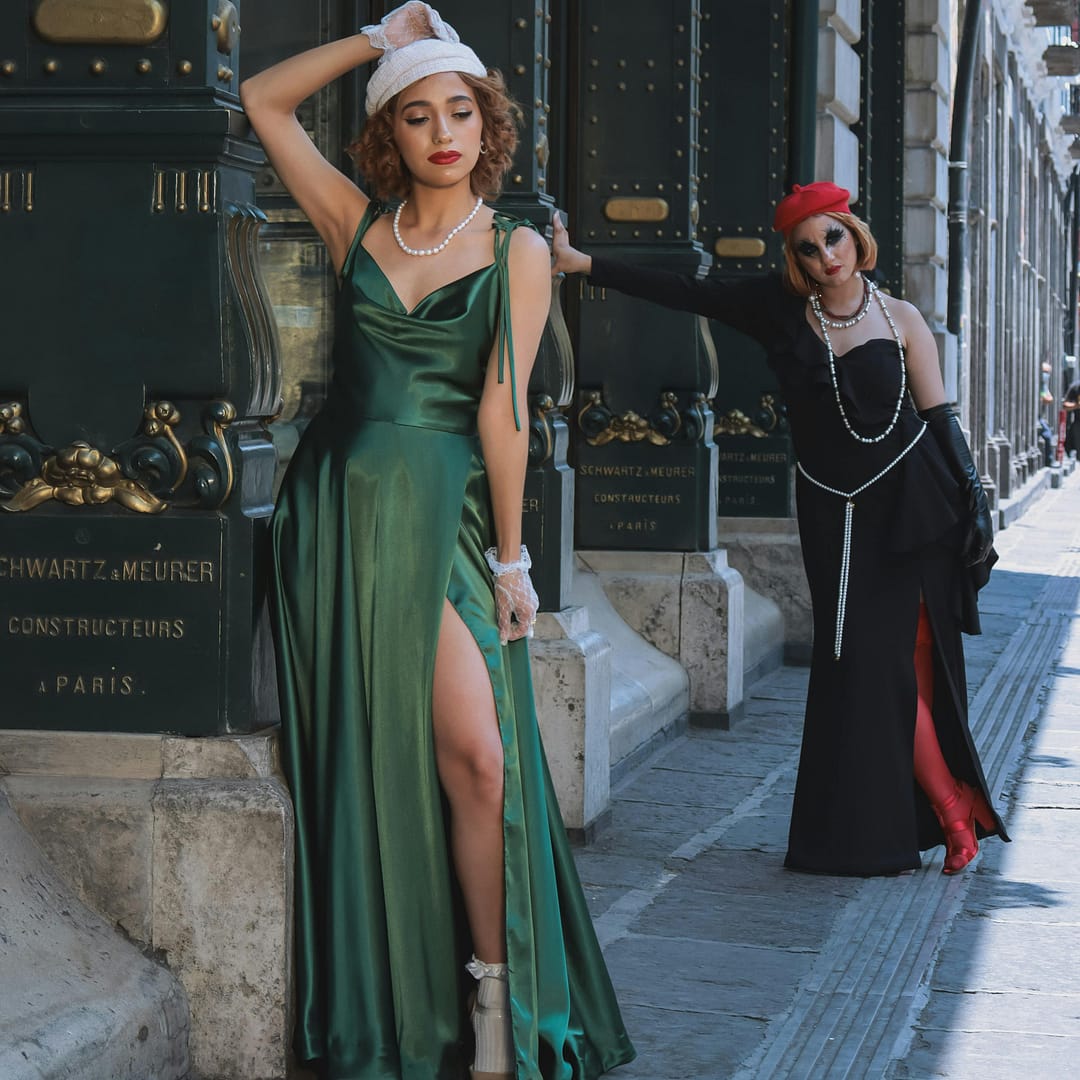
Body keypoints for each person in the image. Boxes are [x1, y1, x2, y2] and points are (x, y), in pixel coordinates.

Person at [241, 5, 634, 1077]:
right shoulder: (356, 223)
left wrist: (513, 561)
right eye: (418, 117)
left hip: (442, 514)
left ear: (487, 125)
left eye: (460, 110)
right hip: (334, 517)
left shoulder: (513, 251)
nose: (443, 133)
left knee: (480, 760)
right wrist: (379, 39)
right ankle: (398, 1004)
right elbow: (262, 102)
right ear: (390, 137)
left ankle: (495, 1012)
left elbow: (504, 413)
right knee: (373, 756)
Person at [552, 181, 1009, 878]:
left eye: (834, 236)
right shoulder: (779, 310)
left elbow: (939, 415)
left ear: (855, 235)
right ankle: (927, 814)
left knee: (903, 666)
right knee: (859, 667)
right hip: (835, 513)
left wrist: (974, 494)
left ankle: (951, 814)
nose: (826, 255)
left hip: (914, 509)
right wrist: (584, 265)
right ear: (794, 258)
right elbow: (684, 290)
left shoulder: (903, 318)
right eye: (808, 246)